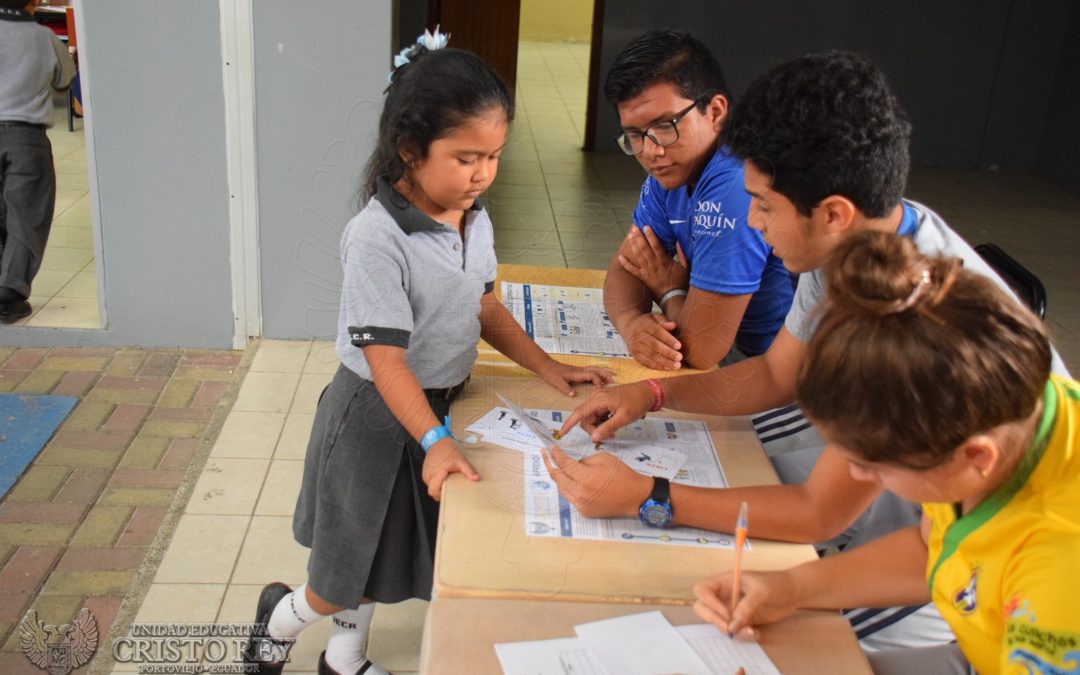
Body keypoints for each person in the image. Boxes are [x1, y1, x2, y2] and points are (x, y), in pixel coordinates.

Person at [545, 51, 1069, 650]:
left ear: (833, 214)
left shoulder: (910, 340)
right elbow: (775, 373)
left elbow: (825, 511)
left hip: (940, 593)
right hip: (934, 544)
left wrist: (651, 498)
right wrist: (653, 391)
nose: (755, 226)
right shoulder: (866, 249)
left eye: (764, 207)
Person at [244, 34, 613, 675]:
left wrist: (549, 367)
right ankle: (275, 623)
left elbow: (486, 305)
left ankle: (344, 658)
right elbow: (386, 363)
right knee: (340, 571)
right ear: (410, 152)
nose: (482, 174)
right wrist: (436, 438)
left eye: (494, 156)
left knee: (379, 556)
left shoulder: (473, 216)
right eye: (466, 157)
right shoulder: (376, 239)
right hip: (373, 416)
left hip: (434, 408)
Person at [693, 230, 1080, 675]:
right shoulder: (1004, 404)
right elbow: (930, 547)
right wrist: (791, 586)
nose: (855, 475)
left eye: (873, 465)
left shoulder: (1058, 575)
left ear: (977, 459)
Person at [600, 30, 792, 371]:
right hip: (742, 354)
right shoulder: (671, 170)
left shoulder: (737, 183)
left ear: (715, 112)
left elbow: (701, 351)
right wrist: (632, 325)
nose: (652, 151)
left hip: (787, 371)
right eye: (635, 135)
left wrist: (670, 291)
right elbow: (626, 268)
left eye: (665, 125)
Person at [0, 0, 76, 322]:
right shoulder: (43, 37)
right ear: (32, 4)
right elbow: (64, 80)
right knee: (26, 214)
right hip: (25, 137)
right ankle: (8, 295)